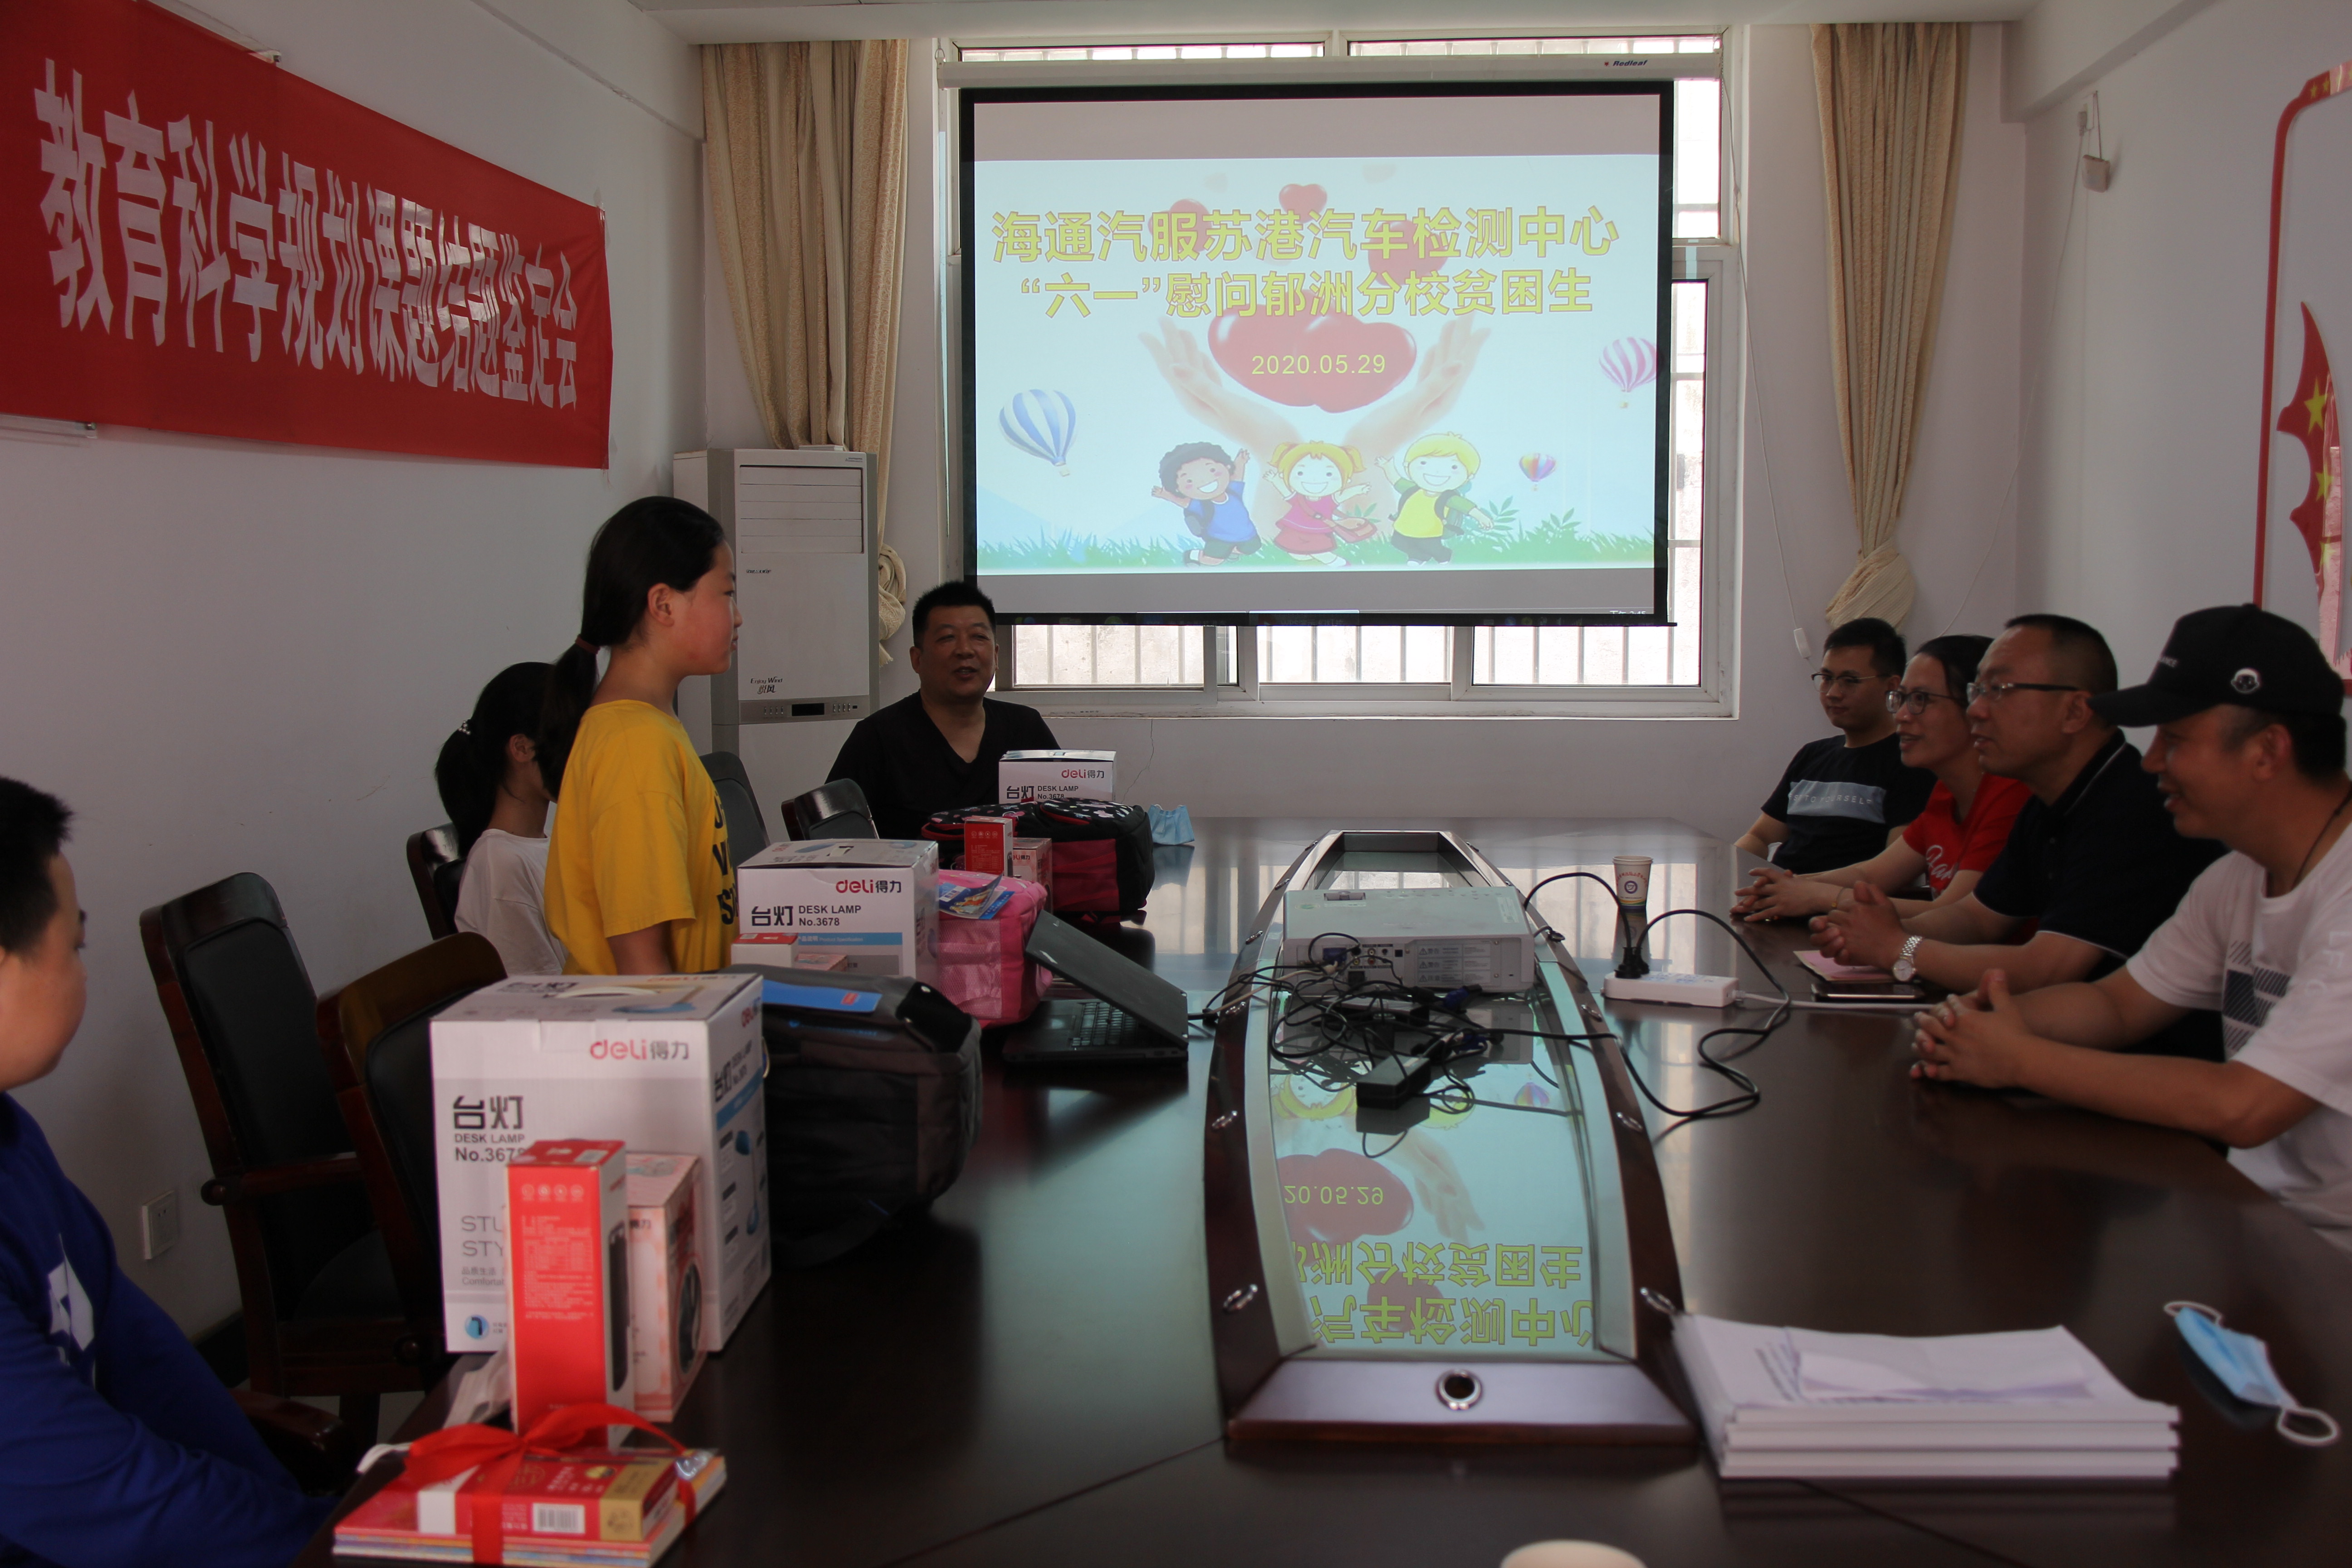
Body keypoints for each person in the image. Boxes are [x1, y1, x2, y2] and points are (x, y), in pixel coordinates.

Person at [1912, 606, 2352, 1253]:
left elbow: (2244, 1107)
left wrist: (2020, 1058)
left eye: (2175, 739)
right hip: (2253, 1221)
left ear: (2267, 751)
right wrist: (1977, 1024)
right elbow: (2116, 1005)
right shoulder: (2235, 879)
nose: (2152, 763)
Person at [0, 778, 334, 1566]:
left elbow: (139, 1351)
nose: (83, 970)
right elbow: (111, 1494)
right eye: (74, 947)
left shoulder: (13, 1137)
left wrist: (304, 1520)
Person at [1814, 615, 2225, 1022]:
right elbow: (1978, 917)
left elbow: (2047, 969)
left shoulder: (2129, 807)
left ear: (2074, 712)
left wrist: (1899, 948)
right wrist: (1884, 931)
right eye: (1977, 691)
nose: (1976, 711)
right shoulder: (2049, 800)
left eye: (1998, 691)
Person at [540, 498, 740, 975]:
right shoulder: (635, 747)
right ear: (664, 604)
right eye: (727, 593)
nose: (738, 617)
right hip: (657, 1018)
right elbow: (642, 966)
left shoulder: (648, 729)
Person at [1735, 635, 2031, 921]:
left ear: (1977, 709)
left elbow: (1958, 918)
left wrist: (1823, 898)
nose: (1902, 715)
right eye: (1901, 699)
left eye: (1921, 699)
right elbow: (1870, 874)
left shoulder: (2013, 798)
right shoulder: (1946, 794)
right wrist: (1783, 888)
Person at [827, 581, 1060, 840]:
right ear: (917, 659)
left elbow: (1064, 821)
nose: (965, 650)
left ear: (996, 656)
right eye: (947, 638)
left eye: (979, 637)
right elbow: (833, 842)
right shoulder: (877, 737)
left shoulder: (1025, 727)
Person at [1734, 617, 1934, 874]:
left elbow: (1892, 872)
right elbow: (1760, 837)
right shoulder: (1812, 755)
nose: (1832, 693)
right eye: (1827, 678)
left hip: (1839, 896)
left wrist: (1795, 889)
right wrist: (1733, 872)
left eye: (1850, 681)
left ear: (1891, 687)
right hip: (1780, 890)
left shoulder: (1910, 762)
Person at [434, 661, 564, 975]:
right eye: (572, 738)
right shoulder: (501, 863)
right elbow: (536, 994)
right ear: (522, 748)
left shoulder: (542, 846)